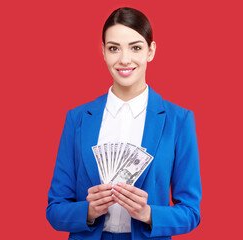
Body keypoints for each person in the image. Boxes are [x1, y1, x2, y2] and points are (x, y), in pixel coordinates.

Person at [46, 7, 202, 240]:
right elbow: (55, 209)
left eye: (136, 47)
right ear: (103, 51)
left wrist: (148, 214)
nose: (124, 59)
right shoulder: (77, 119)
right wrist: (88, 211)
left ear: (151, 51)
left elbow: (191, 213)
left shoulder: (179, 120)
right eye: (114, 48)